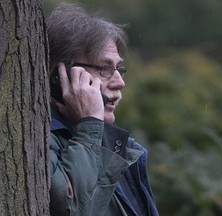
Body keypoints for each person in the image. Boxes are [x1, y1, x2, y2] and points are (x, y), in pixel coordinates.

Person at [47, 3, 159, 216]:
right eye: (105, 69)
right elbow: (70, 209)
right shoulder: (33, 140)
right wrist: (89, 124)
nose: (119, 82)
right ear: (57, 78)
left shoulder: (118, 146)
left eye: (118, 69)